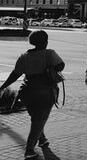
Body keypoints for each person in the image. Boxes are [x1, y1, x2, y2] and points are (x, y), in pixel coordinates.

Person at [0, 30, 64, 159]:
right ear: (45, 41)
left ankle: (42, 139)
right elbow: (61, 66)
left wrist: (2, 87)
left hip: (26, 91)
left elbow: (15, 74)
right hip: (45, 92)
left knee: (36, 118)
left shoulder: (24, 56)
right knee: (39, 120)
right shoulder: (49, 53)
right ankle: (29, 150)